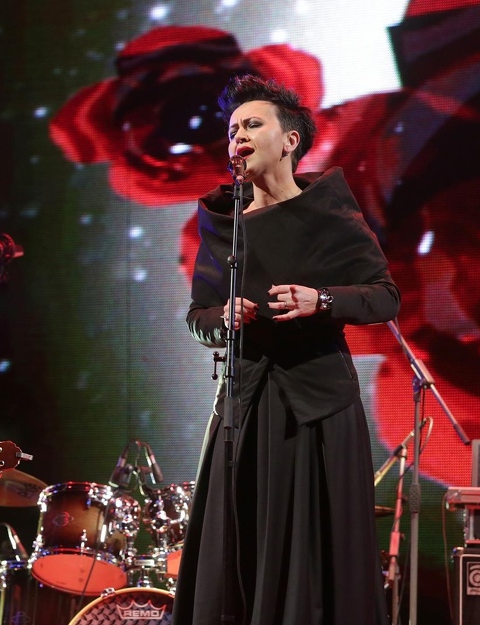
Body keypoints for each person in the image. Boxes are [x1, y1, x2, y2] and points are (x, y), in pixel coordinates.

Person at [171, 75, 399, 625]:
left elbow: (384, 297)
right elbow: (197, 317)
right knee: (238, 546)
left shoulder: (330, 211)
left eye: (252, 125)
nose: (238, 138)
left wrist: (320, 299)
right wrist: (221, 319)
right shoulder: (222, 223)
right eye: (232, 131)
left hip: (318, 404)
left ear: (290, 140)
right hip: (245, 406)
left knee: (315, 549)